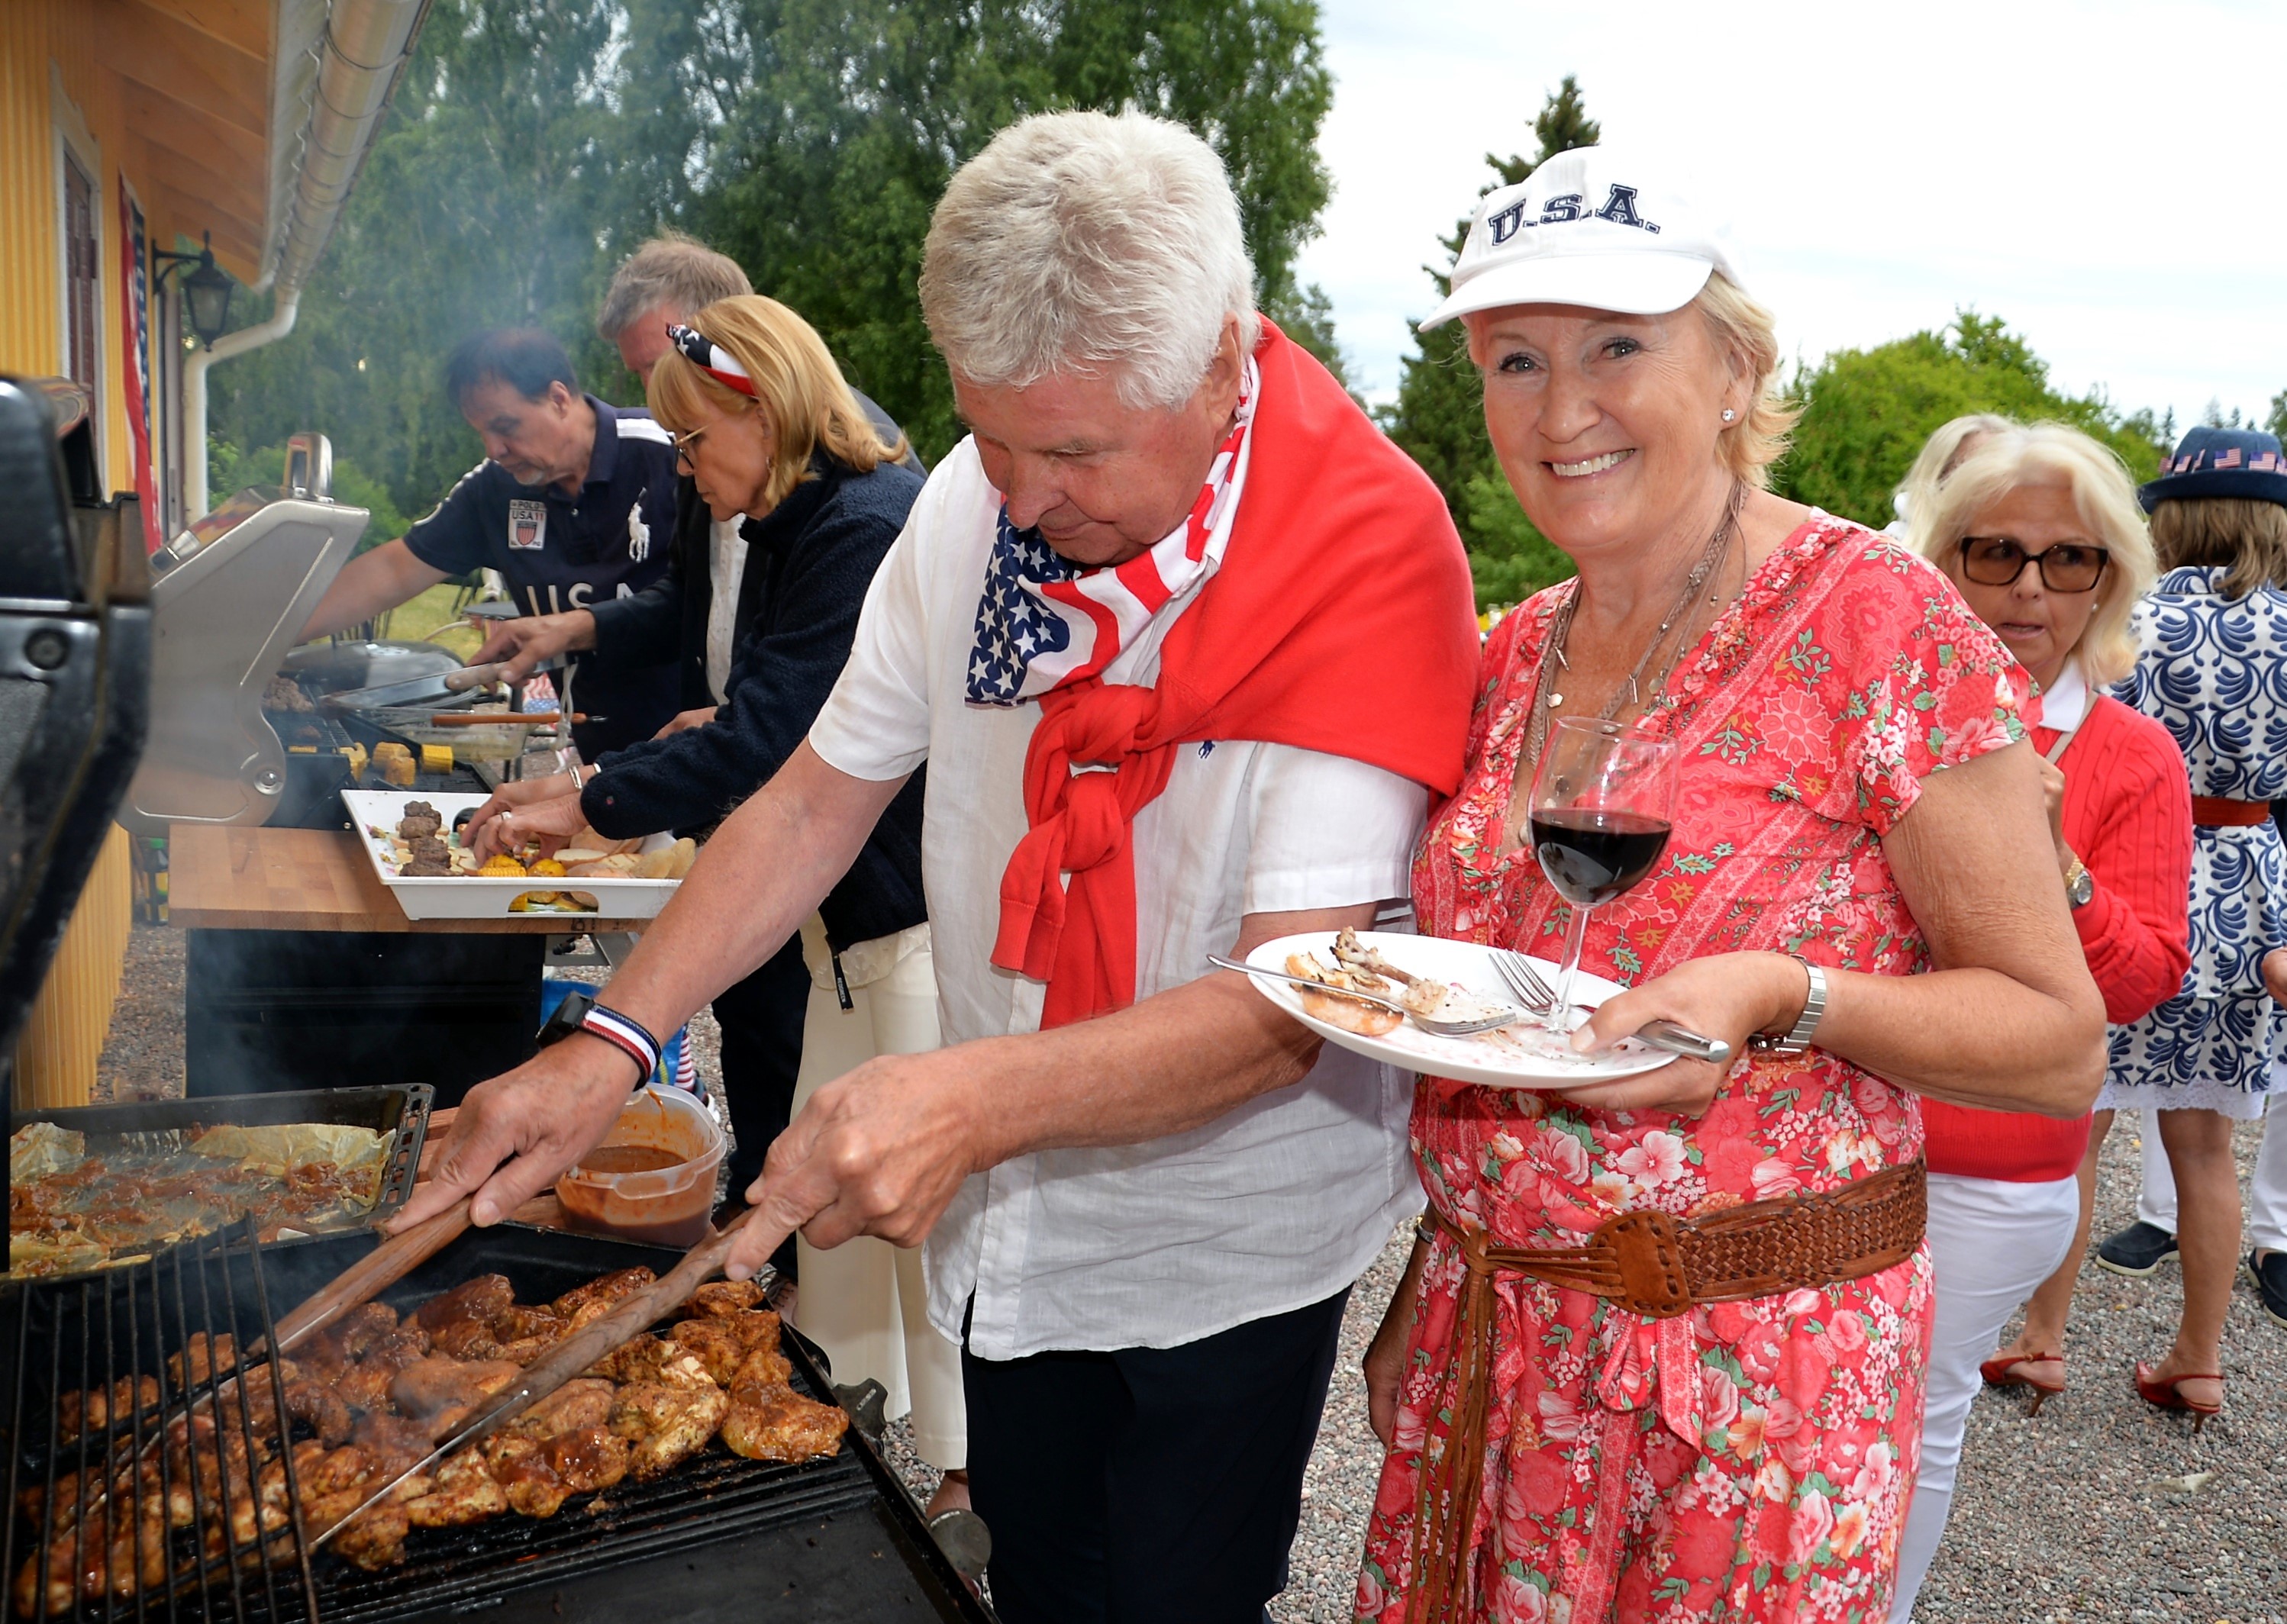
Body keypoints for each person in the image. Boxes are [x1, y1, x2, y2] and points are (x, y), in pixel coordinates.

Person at [395, 108, 1480, 1622]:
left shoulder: (1363, 551)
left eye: (1074, 450)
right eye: (992, 434)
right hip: (1005, 1214)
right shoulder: (973, 503)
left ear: (1223, 366)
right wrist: (612, 1041)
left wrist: (957, 1099)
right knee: (1032, 1578)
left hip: (1218, 1248)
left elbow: (1286, 1007)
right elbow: (810, 802)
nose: (1018, 497)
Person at [1352, 147, 2106, 1623]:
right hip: (1500, 1333)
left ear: (1734, 370)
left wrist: (1786, 994)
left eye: (1616, 347)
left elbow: (2058, 1039)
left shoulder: (1879, 622)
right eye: (1515, 359)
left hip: (1753, 1391)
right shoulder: (1517, 648)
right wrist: (1434, 1273)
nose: (1560, 410)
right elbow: (1515, 1015)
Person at [460, 295, 964, 1507]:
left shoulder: (862, 525)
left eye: (692, 443)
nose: (681, 471)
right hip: (847, 922)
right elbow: (762, 706)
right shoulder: (790, 514)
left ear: (767, 410)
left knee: (932, 1219)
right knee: (837, 1196)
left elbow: (776, 737)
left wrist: (594, 799)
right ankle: (855, 1408)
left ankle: (969, 1476)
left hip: (909, 919)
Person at [1890, 420, 2189, 1620]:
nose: (2028, 587)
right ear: (1941, 556)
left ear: (2108, 577)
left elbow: (2140, 981)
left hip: (1986, 1166)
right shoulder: (1877, 714)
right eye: (1995, 551)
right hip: (1819, 1138)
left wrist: (2054, 861)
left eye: (2068, 558)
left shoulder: (2132, 755)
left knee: (1913, 1416)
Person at [2054, 424, 2287, 1428]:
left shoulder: (2133, 618)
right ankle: (2198, 1359)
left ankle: (2041, 1337)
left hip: (2127, 873)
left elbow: (2080, 742)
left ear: (2174, 514)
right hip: (2247, 888)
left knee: (2075, 1126)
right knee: (2203, 1147)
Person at [297, 327, 682, 756]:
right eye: (481, 432)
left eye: (505, 426)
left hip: (699, 749)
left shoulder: (669, 454)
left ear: (558, 399)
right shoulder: (495, 490)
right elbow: (394, 569)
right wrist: (271, 634)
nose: (494, 449)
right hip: (608, 757)